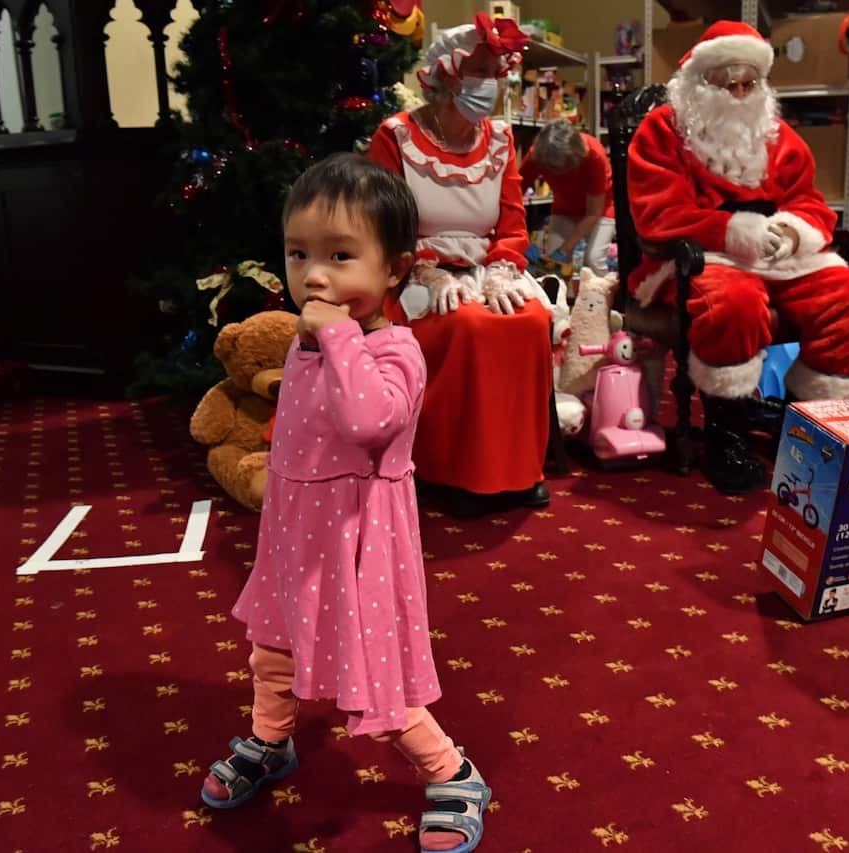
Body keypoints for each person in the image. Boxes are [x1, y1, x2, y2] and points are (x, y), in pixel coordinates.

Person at [200, 154, 491, 853]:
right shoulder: (308, 344)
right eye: (299, 254)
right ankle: (271, 739)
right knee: (271, 648)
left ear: (393, 268)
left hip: (360, 546)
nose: (315, 276)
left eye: (339, 255)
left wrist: (336, 336)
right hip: (295, 537)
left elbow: (367, 421)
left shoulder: (394, 351)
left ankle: (452, 770)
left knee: (373, 684)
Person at [626, 20, 849, 494]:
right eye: (729, 85)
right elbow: (658, 215)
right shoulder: (661, 130)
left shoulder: (777, 133)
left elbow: (807, 199)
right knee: (734, 304)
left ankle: (810, 420)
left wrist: (790, 232)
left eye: (751, 84)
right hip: (697, 256)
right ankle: (728, 431)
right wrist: (731, 230)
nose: (742, 95)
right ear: (700, 84)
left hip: (777, 255)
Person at [367, 12, 553, 518]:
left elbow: (513, 224)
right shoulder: (396, 137)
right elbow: (382, 227)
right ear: (446, 75)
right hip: (413, 271)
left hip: (483, 269)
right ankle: (453, 470)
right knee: (468, 326)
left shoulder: (501, 140)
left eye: (497, 74)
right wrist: (426, 272)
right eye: (481, 72)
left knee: (531, 320)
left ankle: (520, 469)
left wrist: (499, 271)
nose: (491, 85)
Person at [519, 118, 616, 272]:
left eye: (558, 167)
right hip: (564, 207)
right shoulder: (537, 154)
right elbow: (514, 195)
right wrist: (519, 238)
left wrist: (565, 249)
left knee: (593, 260)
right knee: (553, 267)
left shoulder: (594, 156)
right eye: (548, 167)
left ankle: (599, 295)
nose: (553, 172)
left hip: (602, 208)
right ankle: (560, 294)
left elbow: (593, 213)